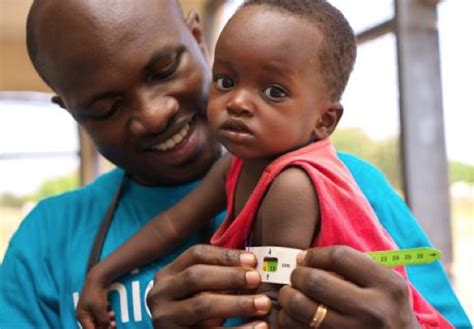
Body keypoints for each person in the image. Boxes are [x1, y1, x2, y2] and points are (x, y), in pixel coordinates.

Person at [0, 0, 470, 328]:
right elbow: (170, 228)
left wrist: (401, 323)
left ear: (199, 39)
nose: (154, 114)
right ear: (70, 110)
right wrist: (99, 275)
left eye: (164, 70)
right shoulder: (46, 242)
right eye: (106, 107)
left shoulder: (353, 189)